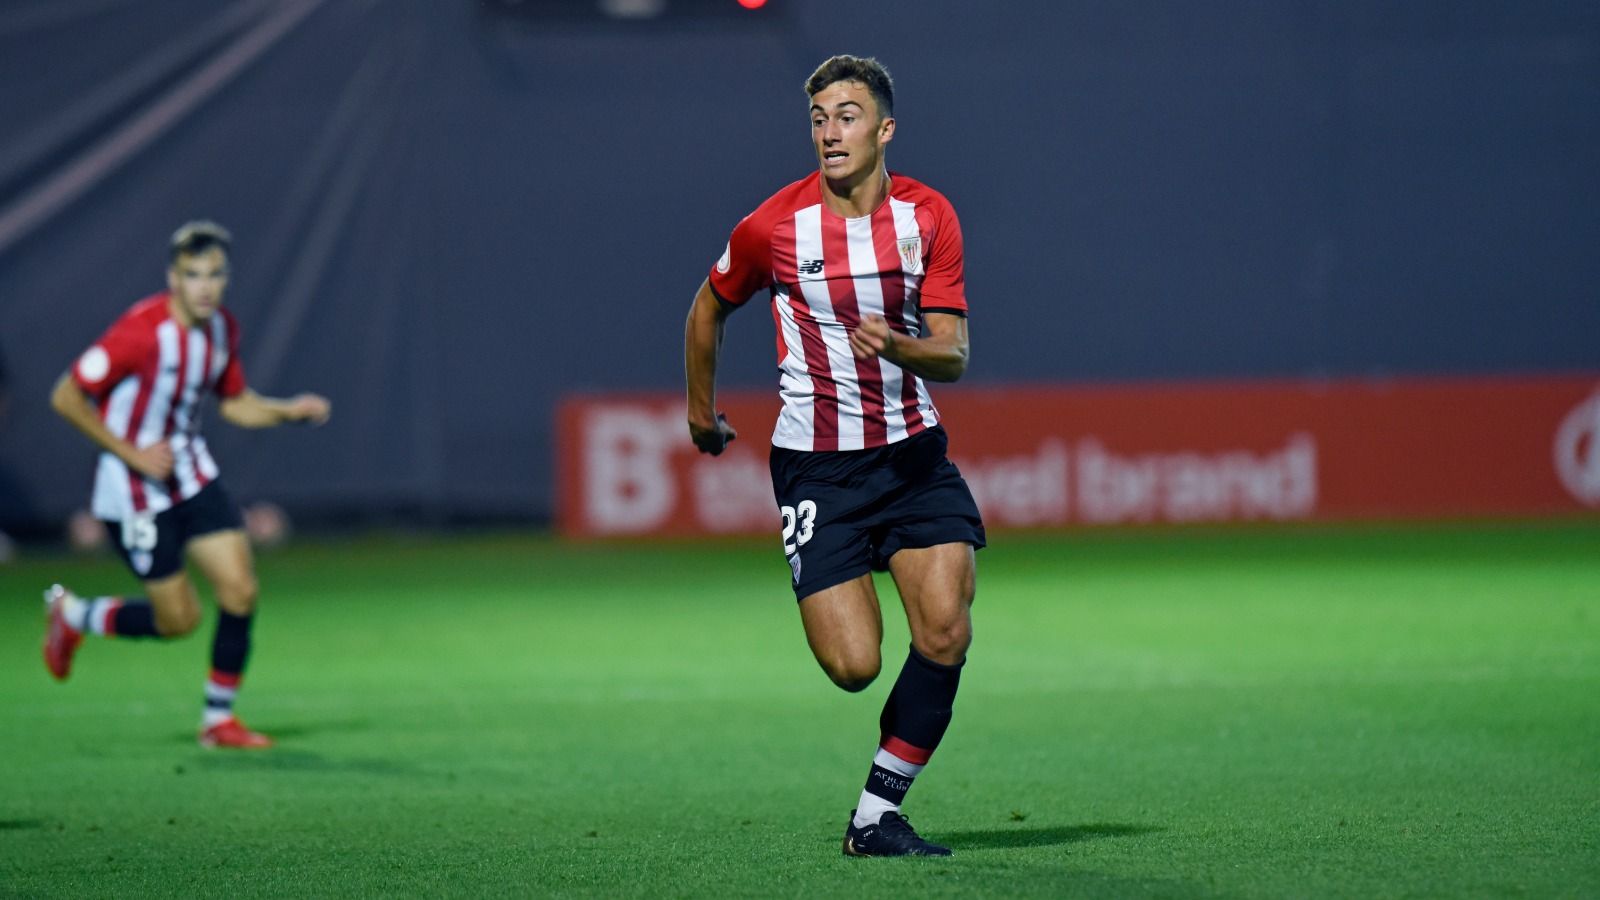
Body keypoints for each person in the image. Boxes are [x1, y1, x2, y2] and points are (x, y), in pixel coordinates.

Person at [684, 55, 985, 857]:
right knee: (854, 665)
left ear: (884, 130)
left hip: (913, 456)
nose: (829, 132)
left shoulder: (930, 218)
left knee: (947, 629)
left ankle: (876, 815)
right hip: (818, 468)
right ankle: (875, 810)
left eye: (846, 116)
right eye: (818, 117)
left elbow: (953, 355)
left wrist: (902, 348)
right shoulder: (774, 226)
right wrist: (699, 414)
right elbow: (707, 309)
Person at [43, 221, 331, 749]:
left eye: (215, 274)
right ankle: (73, 615)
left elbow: (235, 403)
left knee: (241, 591)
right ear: (172, 278)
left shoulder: (221, 329)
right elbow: (65, 396)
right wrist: (132, 453)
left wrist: (290, 411)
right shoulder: (139, 333)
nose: (204, 286)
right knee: (178, 621)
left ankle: (217, 721)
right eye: (193, 274)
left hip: (192, 477)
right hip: (134, 494)